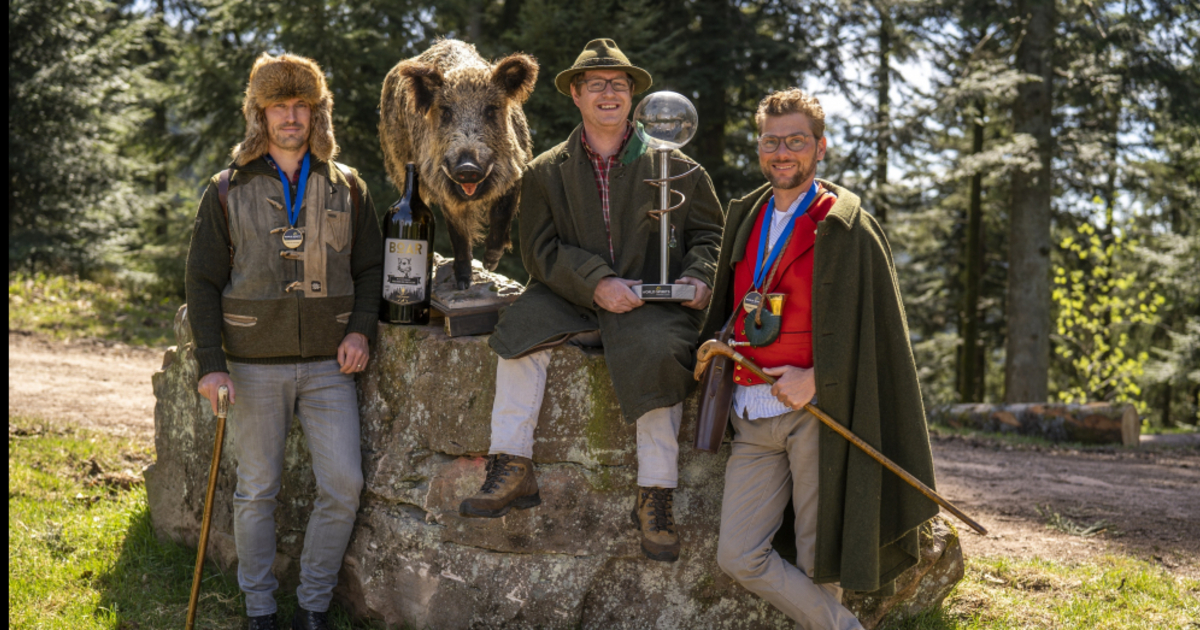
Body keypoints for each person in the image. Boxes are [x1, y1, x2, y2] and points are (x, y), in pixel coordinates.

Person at [456, 39, 724, 563]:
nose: (609, 93)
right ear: (575, 95)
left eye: (619, 84)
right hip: (571, 296)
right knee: (516, 337)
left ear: (632, 97)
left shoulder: (679, 167)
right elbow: (539, 250)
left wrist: (699, 279)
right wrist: (596, 282)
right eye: (596, 84)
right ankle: (512, 465)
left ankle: (656, 494)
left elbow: (711, 237)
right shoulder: (546, 170)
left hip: (654, 300)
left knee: (662, 352)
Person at [699, 89, 938, 629]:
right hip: (750, 412)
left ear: (820, 148)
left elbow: (875, 336)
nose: (783, 152)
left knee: (817, 557)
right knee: (737, 554)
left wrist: (818, 380)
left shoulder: (848, 225)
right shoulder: (746, 215)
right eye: (772, 141)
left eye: (796, 141)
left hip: (816, 416)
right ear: (760, 146)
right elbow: (731, 306)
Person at [185, 52, 382, 630]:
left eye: (302, 105)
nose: (291, 116)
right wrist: (211, 365)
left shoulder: (348, 186)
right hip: (251, 366)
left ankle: (314, 608)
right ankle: (260, 611)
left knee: (344, 485)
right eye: (279, 106)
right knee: (257, 491)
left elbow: (371, 269)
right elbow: (201, 281)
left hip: (328, 365)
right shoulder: (225, 189)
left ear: (316, 113)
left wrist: (360, 331)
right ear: (260, 113)